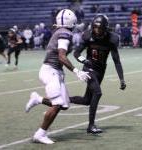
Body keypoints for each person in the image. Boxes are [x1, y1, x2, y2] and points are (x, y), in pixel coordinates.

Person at [25, 9, 90, 144]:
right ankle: (40, 134)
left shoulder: (61, 31)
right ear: (71, 21)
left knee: (64, 105)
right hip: (50, 70)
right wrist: (77, 71)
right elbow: (61, 56)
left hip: (55, 71)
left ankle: (38, 99)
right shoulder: (65, 33)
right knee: (58, 104)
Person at [70, 14, 126, 134]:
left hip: (100, 70)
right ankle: (91, 126)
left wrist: (122, 79)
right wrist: (84, 60)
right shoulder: (88, 35)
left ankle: (64, 99)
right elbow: (76, 53)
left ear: (105, 28)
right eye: (95, 27)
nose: (96, 30)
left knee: (87, 100)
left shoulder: (112, 39)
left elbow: (116, 61)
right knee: (97, 92)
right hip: (89, 68)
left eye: (99, 28)